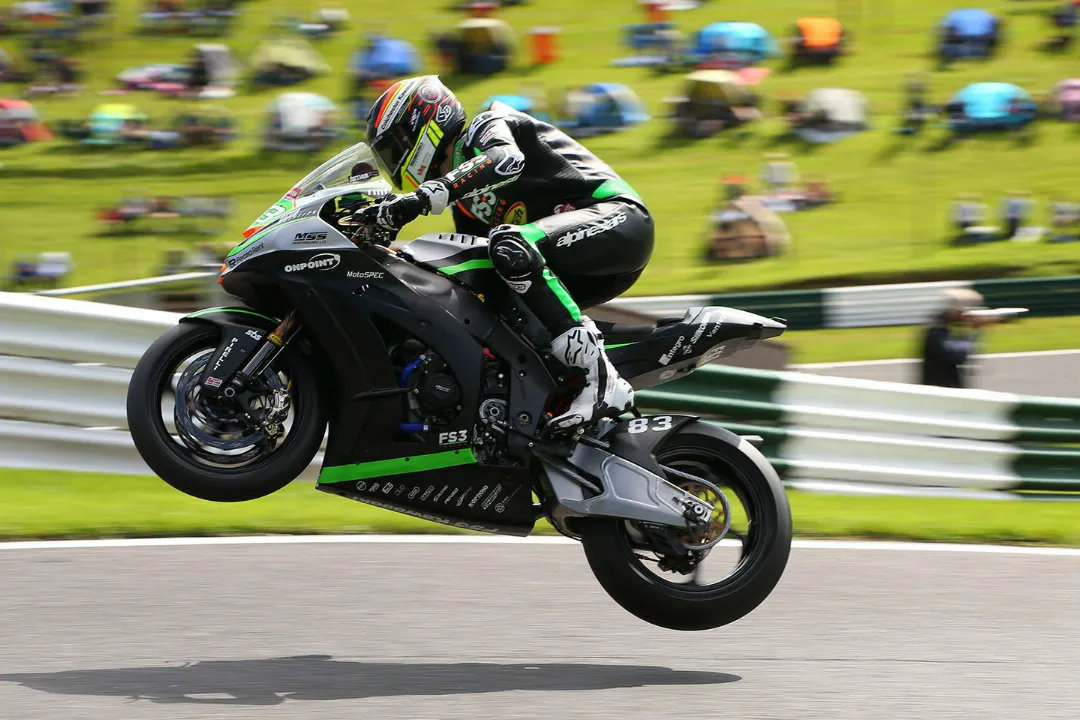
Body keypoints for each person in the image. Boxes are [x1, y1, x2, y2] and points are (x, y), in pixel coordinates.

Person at [358, 75, 653, 433]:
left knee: (508, 243)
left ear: (424, 124)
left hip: (619, 218)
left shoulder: (487, 124)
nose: (394, 163)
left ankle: (601, 379)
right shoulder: (466, 205)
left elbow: (505, 159)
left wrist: (420, 200)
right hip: (571, 260)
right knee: (488, 287)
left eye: (394, 148)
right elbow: (470, 273)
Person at [919, 289, 1003, 388]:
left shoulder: (944, 328)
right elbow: (958, 357)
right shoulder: (936, 332)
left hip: (946, 388)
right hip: (940, 390)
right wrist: (975, 331)